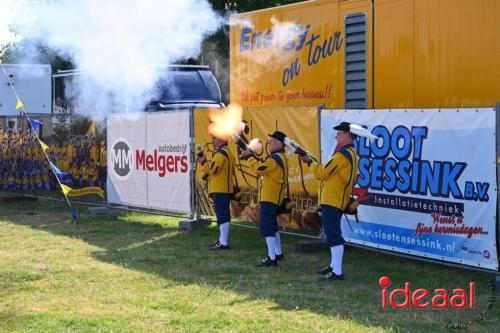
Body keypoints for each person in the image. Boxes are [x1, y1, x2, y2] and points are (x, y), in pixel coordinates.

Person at [302, 122, 359, 281]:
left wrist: (309, 162)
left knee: (334, 235)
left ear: (348, 135)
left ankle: (337, 272)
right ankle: (334, 266)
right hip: (336, 199)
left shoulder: (342, 155)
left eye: (339, 134)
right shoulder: (352, 153)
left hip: (332, 200)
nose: (336, 136)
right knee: (332, 233)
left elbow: (322, 173)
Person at [242, 131, 289, 267]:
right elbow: (262, 166)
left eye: (272, 141)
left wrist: (250, 157)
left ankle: (271, 258)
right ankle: (278, 254)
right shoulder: (278, 157)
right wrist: (250, 156)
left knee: (267, 227)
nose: (269, 143)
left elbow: (259, 168)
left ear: (279, 144)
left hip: (270, 197)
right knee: (272, 227)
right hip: (273, 196)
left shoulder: (275, 158)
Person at [199, 136, 236, 250]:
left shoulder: (220, 153)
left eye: (215, 138)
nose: (213, 141)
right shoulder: (228, 152)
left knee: (222, 215)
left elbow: (214, 170)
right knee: (223, 214)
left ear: (221, 140)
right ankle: (222, 240)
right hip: (224, 188)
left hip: (220, 189)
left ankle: (223, 242)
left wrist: (204, 163)